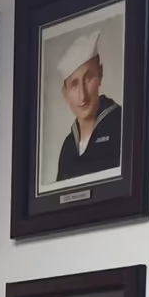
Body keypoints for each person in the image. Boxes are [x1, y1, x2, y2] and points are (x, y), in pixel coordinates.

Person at [53, 28, 121, 182]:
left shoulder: (121, 125)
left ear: (100, 75)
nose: (82, 96)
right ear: (65, 93)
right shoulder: (68, 147)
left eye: (88, 78)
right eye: (74, 85)